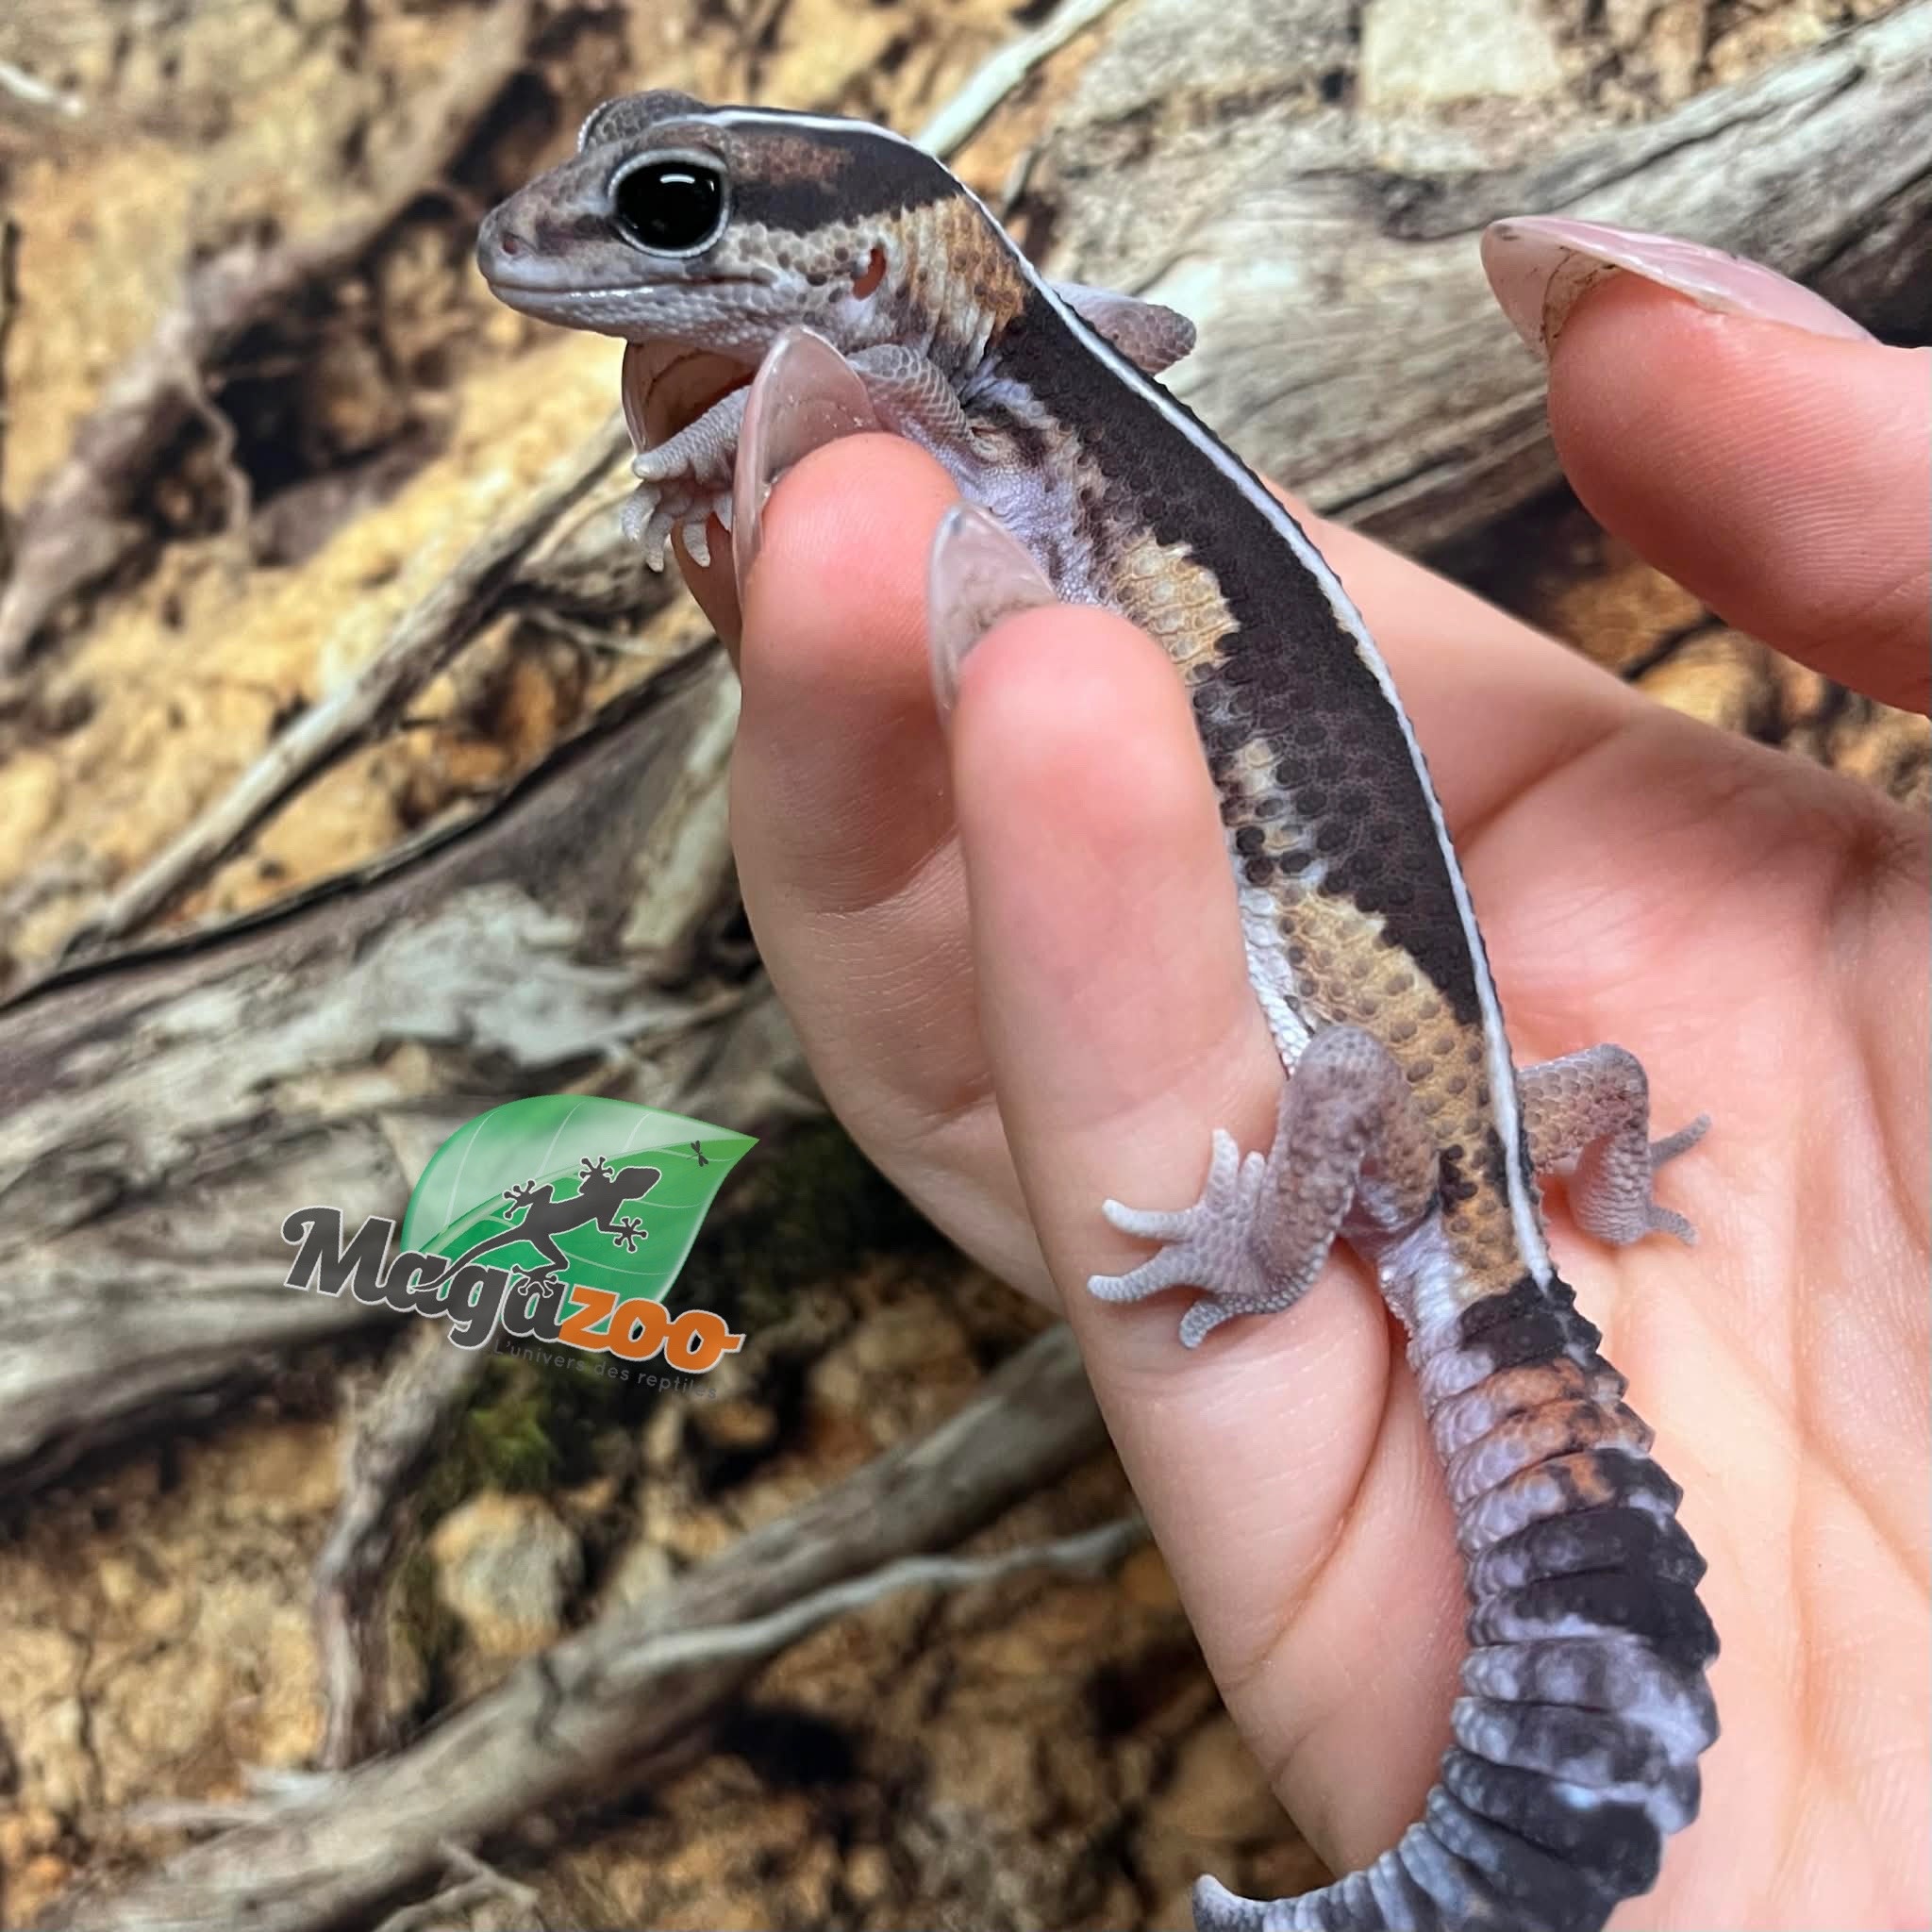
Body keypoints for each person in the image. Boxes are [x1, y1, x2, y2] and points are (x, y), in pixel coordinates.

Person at [674, 220, 1930, 1927]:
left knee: (1344, 1068)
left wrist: (1261, 1248)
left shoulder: (1017, 408)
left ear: (880, 280)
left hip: (1431, 1153)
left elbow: (1356, 1076)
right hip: (1508, 1152)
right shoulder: (1045, 368)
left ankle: (1302, 1286)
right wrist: (1620, 1195)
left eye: (670, 220)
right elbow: (1128, 332)